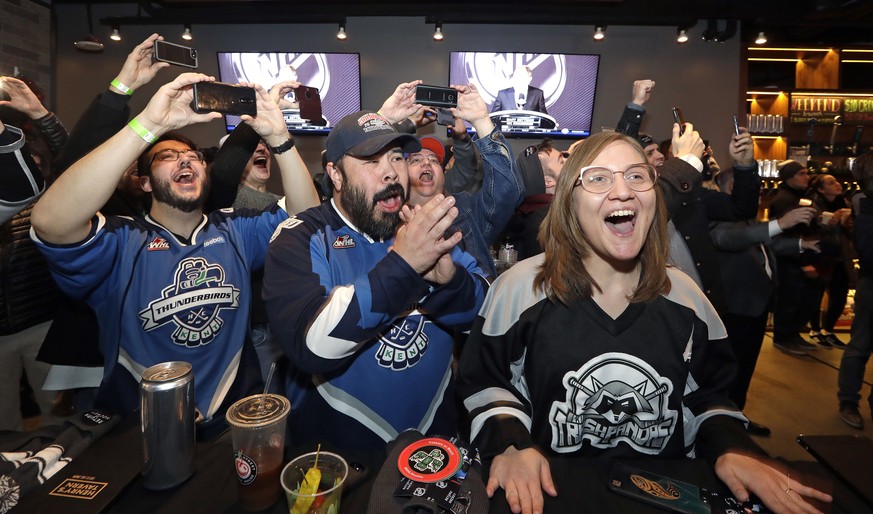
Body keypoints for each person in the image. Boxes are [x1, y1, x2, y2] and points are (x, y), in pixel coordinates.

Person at [457, 131, 832, 514]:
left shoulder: (687, 297)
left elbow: (710, 396)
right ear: (569, 200)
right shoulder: (519, 289)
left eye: (636, 175)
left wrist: (729, 447)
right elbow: (488, 383)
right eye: (599, 178)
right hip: (551, 492)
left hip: (664, 493)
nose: (623, 191)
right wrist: (511, 443)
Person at [30, 72, 318, 437]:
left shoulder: (235, 229)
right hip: (140, 426)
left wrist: (279, 137)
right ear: (146, 182)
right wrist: (149, 124)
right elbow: (51, 221)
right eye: (168, 157)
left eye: (193, 156)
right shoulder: (122, 241)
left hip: (233, 421)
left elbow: (305, 219)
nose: (185, 161)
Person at [263, 103, 488, 453]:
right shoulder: (300, 236)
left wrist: (449, 285)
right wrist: (405, 265)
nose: (391, 173)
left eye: (397, 158)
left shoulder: (419, 226)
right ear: (335, 175)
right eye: (371, 162)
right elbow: (312, 346)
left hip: (433, 444)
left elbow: (481, 316)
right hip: (337, 458)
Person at [710, 168, 819, 436]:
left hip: (755, 307)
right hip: (734, 309)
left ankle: (737, 420)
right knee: (726, 372)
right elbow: (732, 239)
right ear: (732, 187)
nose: (758, 194)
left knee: (745, 369)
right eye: (752, 189)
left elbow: (764, 245)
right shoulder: (716, 216)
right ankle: (720, 427)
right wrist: (781, 224)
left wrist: (801, 245)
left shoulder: (749, 219)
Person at [0, 76, 68, 430]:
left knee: (57, 417)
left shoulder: (38, 198)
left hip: (41, 320)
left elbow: (73, 156)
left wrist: (41, 114)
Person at [404, 84, 524, 277]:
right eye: (416, 159)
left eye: (434, 160)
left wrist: (482, 121)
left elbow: (507, 190)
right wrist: (399, 124)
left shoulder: (467, 211)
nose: (426, 162)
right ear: (400, 173)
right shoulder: (385, 219)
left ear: (443, 175)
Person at [768, 160, 821, 355]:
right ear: (790, 177)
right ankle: (784, 338)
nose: (807, 177)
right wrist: (802, 261)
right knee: (790, 301)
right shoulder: (784, 199)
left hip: (798, 256)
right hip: (790, 259)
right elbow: (783, 233)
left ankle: (791, 335)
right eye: (802, 174)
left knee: (801, 301)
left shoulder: (798, 197)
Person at [837, 150, 873, 429]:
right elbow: (868, 250)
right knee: (860, 345)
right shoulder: (865, 205)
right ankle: (848, 401)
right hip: (871, 284)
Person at [808, 173, 853, 349]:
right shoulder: (813, 204)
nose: (837, 184)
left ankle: (828, 330)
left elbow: (850, 230)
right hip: (820, 254)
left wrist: (848, 223)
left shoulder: (846, 204)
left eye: (836, 181)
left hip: (840, 255)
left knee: (840, 295)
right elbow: (813, 228)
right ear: (821, 189)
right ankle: (815, 330)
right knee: (816, 293)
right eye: (831, 182)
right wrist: (831, 219)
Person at [503, 139, 567, 260]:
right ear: (548, 182)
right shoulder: (552, 222)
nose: (571, 161)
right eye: (562, 162)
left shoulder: (523, 217)